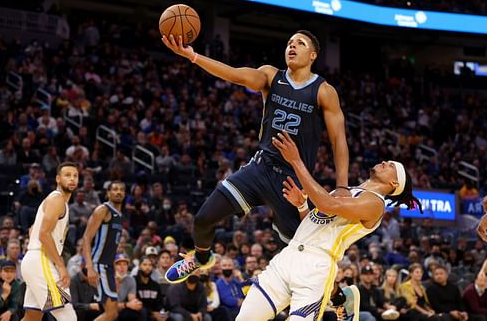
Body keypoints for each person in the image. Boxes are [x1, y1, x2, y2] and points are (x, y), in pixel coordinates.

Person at [162, 30, 350, 284]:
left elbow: (339, 140)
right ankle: (202, 258)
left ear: (313, 55)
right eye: (289, 42)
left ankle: (337, 300)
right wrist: (193, 56)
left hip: (292, 181)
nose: (292, 46)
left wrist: (341, 186)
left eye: (300, 43)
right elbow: (234, 74)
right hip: (259, 168)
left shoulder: (324, 91)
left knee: (307, 254)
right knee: (203, 219)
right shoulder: (271, 76)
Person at [235, 131, 421, 321]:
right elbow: (316, 225)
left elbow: (327, 205)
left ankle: (338, 297)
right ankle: (341, 298)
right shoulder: (346, 191)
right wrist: (302, 206)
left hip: (316, 269)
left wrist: (296, 160)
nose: (384, 162)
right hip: (288, 257)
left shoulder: (375, 205)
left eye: (391, 165)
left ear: (394, 183)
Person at [21, 162, 79, 321]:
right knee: (68, 317)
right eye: (67, 175)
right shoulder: (57, 199)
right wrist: (61, 266)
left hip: (34, 261)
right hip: (41, 261)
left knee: (32, 317)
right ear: (58, 179)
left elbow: (33, 229)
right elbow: (44, 234)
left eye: (75, 176)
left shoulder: (56, 201)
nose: (72, 179)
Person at [82, 181, 126, 321]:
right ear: (108, 193)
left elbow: (111, 248)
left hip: (108, 267)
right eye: (115, 189)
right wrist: (89, 266)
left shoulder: (119, 215)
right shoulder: (103, 210)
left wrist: (113, 273)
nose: (118, 192)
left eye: (121, 190)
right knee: (111, 313)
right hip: (98, 265)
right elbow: (86, 238)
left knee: (113, 313)